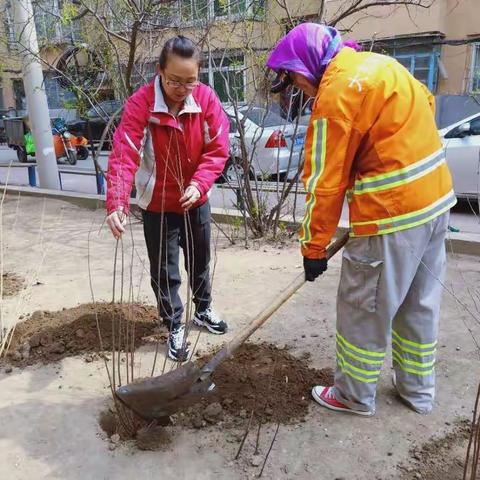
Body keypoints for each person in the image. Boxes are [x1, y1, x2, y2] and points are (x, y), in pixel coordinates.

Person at [267, 23, 456, 416]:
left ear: (306, 66)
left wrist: (314, 247)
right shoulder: (382, 65)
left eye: (293, 80)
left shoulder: (336, 95)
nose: (299, 90)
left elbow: (325, 181)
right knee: (418, 304)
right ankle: (417, 392)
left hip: (390, 217)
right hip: (436, 202)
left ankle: (353, 396)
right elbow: (426, 102)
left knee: (363, 308)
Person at [106, 36, 229, 362]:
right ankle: (174, 323)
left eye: (190, 81)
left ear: (198, 75)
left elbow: (218, 149)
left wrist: (200, 184)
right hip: (157, 205)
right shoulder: (141, 104)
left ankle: (202, 309)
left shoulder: (205, 99)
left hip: (195, 201)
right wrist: (117, 202)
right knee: (165, 271)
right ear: (160, 71)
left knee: (200, 260)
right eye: (175, 80)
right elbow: (124, 155)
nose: (182, 88)